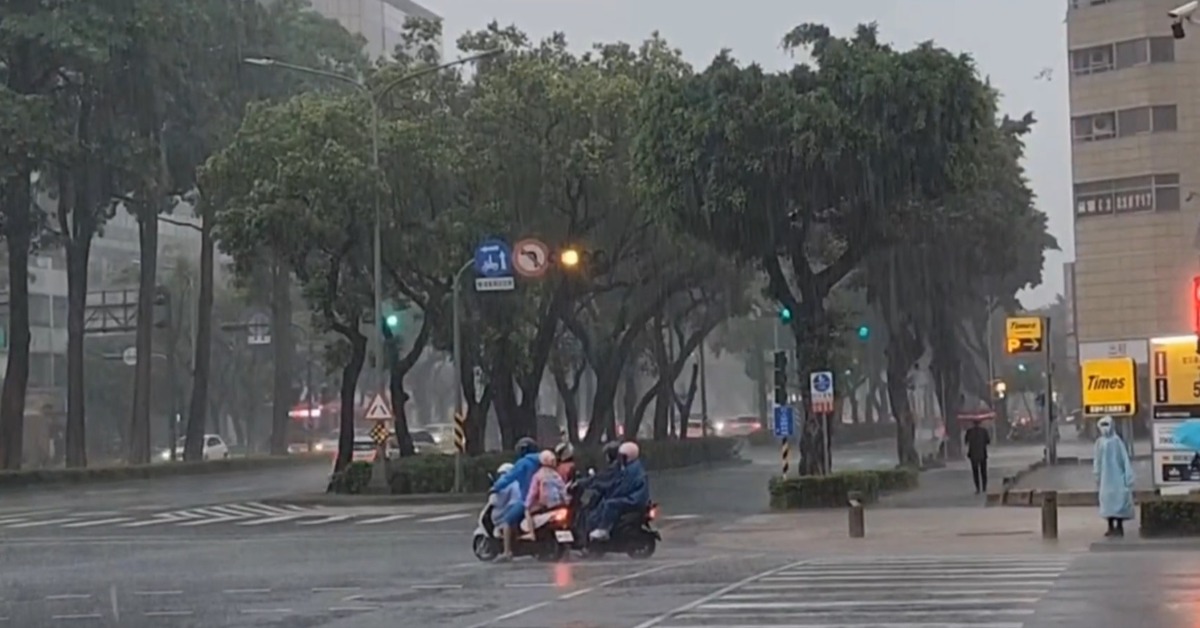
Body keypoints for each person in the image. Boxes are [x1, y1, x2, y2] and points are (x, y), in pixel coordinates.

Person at [489, 437, 541, 561]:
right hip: (544, 499)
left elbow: (509, 478)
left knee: (507, 521)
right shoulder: (543, 461)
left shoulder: (523, 463)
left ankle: (507, 552)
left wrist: (495, 487)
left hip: (527, 500)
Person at [589, 441, 650, 541]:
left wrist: (611, 493)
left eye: (622, 456)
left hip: (634, 499)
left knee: (610, 503)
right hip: (634, 497)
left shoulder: (632, 470)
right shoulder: (632, 467)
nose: (620, 459)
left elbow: (623, 487)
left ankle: (603, 529)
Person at [1094, 416, 1135, 537]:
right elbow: (1097, 460)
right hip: (1105, 478)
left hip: (1117, 476)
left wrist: (1128, 476)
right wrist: (1097, 474)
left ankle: (1119, 526)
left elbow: (1124, 459)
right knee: (1107, 502)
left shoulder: (1117, 441)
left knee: (1119, 501)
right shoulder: (1099, 443)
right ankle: (1110, 526)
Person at [490, 462, 521, 533]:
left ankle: (506, 543)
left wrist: (492, 496)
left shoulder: (505, 482)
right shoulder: (517, 481)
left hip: (507, 510)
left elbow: (498, 501)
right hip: (520, 507)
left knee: (505, 522)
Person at [964, 420, 991, 494]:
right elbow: (988, 441)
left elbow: (966, 441)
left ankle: (978, 488)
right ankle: (984, 487)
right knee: (983, 472)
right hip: (982, 454)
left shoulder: (969, 431)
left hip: (973, 454)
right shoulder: (984, 431)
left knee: (975, 472)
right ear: (980, 423)